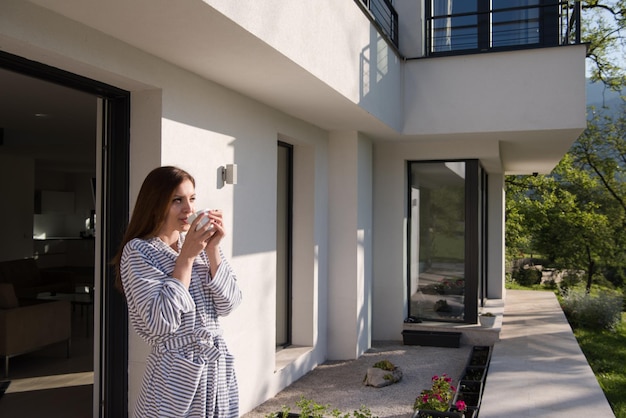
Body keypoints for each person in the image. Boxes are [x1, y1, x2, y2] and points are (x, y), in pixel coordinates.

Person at [112, 166, 242, 418]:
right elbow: (160, 323)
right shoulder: (139, 251)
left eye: (192, 199)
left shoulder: (199, 244)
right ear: (155, 204)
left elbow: (229, 303)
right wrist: (186, 258)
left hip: (215, 370)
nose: (189, 209)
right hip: (175, 375)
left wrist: (213, 249)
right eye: (177, 200)